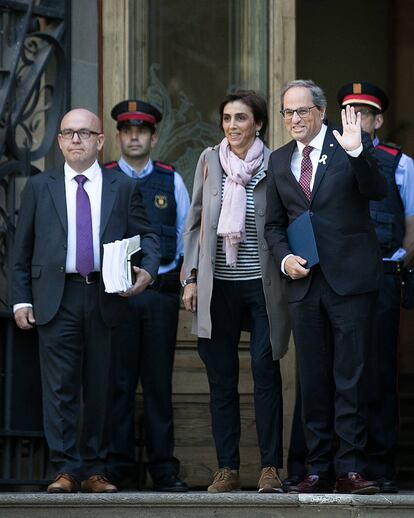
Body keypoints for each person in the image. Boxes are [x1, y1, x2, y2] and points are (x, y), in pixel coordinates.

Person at [11, 109, 160, 494]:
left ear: (99, 140)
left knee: (101, 385)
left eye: (84, 133)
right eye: (68, 133)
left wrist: (148, 269)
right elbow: (20, 251)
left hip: (104, 296)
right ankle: (65, 469)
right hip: (54, 298)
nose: (75, 140)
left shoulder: (121, 187)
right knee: (59, 388)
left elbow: (149, 236)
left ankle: (95, 468)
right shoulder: (39, 187)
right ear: (59, 141)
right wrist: (20, 300)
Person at [264, 79, 387, 494]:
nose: (294, 119)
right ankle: (316, 469)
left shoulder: (348, 144)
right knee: (313, 379)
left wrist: (357, 150)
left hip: (350, 281)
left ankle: (350, 468)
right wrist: (284, 258)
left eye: (301, 111)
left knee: (349, 377)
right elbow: (274, 225)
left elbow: (376, 189)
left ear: (319, 112)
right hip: (304, 284)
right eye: (287, 112)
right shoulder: (280, 161)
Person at [182, 90, 290, 493]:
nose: (232, 126)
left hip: (263, 286)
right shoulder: (209, 161)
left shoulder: (277, 163)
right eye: (227, 118)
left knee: (265, 371)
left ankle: (269, 469)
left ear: (258, 123)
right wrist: (190, 277)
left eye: (241, 118)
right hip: (217, 288)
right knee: (222, 379)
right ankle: (226, 468)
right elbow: (194, 222)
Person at [105, 100, 190, 492]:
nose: (134, 135)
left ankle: (163, 468)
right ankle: (117, 467)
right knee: (117, 383)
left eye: (141, 129)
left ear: (154, 137)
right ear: (118, 136)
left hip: (158, 296)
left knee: (158, 384)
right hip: (115, 298)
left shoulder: (171, 179)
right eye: (127, 130)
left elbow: (188, 233)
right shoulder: (104, 178)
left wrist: (188, 280)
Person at [336, 82, 414, 492]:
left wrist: (396, 263)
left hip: (383, 277)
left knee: (381, 373)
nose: (356, 119)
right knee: (345, 371)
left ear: (378, 119)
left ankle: (381, 466)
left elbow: (412, 230)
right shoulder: (329, 156)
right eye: (349, 112)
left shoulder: (399, 162)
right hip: (341, 282)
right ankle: (347, 464)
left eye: (363, 112)